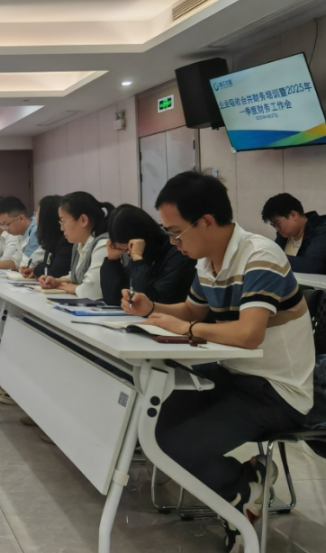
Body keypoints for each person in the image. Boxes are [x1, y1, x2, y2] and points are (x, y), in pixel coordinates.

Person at [125, 171, 314, 549]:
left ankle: (244, 488)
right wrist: (152, 308)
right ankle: (241, 482)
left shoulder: (260, 256)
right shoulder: (207, 261)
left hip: (277, 390)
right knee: (150, 421)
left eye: (176, 232)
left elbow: (248, 334)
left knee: (179, 444)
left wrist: (187, 330)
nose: (174, 242)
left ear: (206, 222)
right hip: (235, 374)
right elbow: (192, 310)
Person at [99, 204, 196, 306]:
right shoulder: (145, 254)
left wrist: (138, 260)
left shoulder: (178, 252)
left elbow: (150, 302)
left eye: (128, 248)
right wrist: (112, 260)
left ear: (138, 238)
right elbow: (113, 299)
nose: (129, 253)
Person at [261, 193, 326, 279]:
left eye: (277, 223)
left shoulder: (325, 234)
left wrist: (272, 258)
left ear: (293, 215)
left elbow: (311, 266)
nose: (276, 228)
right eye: (273, 225)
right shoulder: (284, 236)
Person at [39, 192, 114, 299]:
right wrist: (58, 281)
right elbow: (78, 274)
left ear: (83, 220)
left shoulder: (104, 245)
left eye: (63, 221)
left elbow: (92, 291)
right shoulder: (79, 244)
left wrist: (73, 288)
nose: (61, 228)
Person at [20, 195, 73, 279]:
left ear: (47, 218)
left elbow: (54, 272)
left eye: (37, 213)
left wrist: (36, 270)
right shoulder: (51, 240)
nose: (35, 217)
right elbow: (46, 266)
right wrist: (34, 271)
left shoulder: (65, 241)